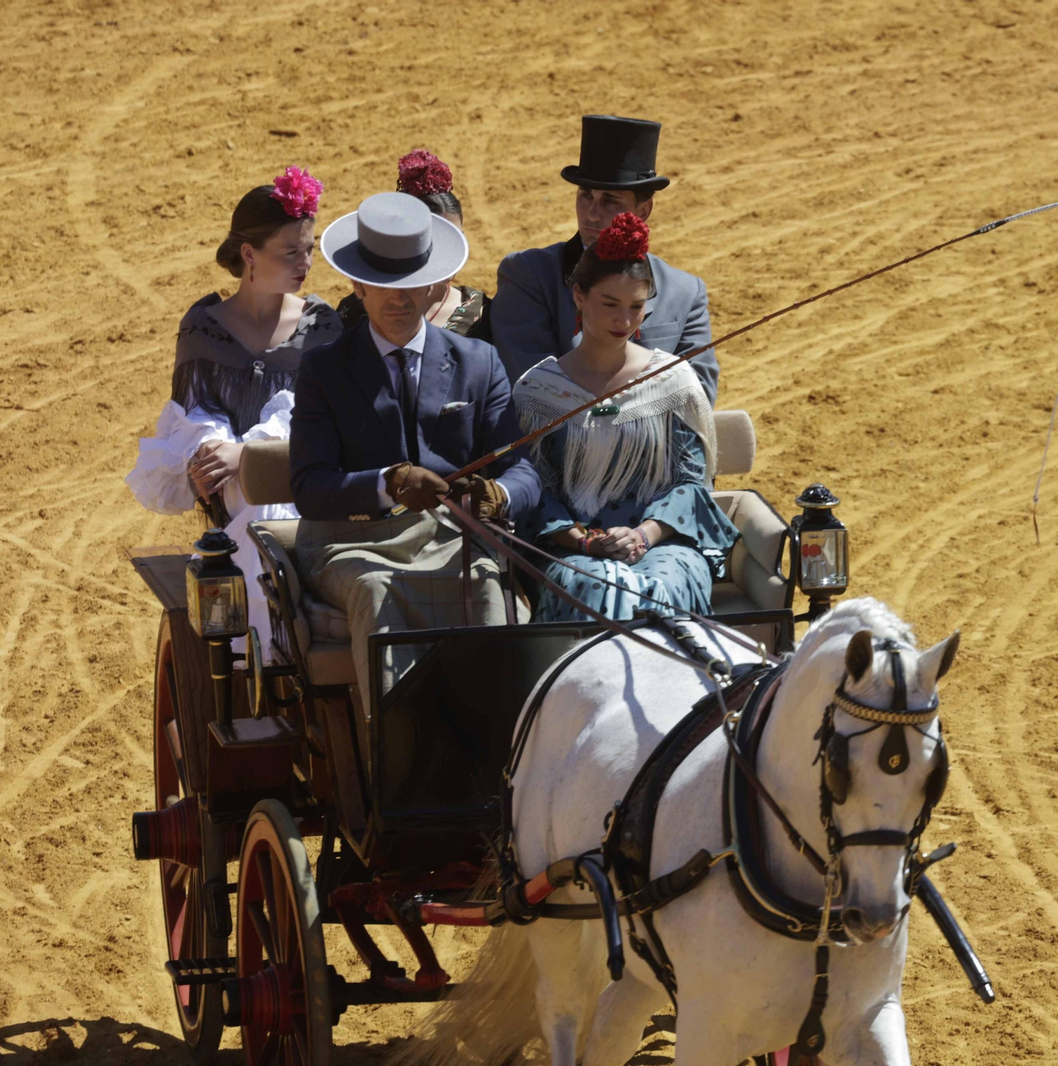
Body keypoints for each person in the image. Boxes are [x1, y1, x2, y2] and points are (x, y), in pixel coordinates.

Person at [289, 191, 540, 715]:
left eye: (412, 286)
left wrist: (497, 494)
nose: (400, 300)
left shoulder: (480, 361)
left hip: (453, 539)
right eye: (384, 287)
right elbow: (310, 488)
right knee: (378, 589)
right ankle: (395, 765)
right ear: (358, 285)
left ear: (435, 284)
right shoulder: (323, 369)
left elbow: (523, 468)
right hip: (349, 542)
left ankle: (497, 758)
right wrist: (388, 482)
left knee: (486, 586)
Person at [126, 167, 342, 647]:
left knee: (260, 490)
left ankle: (266, 644)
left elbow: (323, 423)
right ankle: (275, 639)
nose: (305, 262)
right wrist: (218, 454)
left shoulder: (324, 326)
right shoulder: (202, 325)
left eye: (309, 248)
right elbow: (193, 415)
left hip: (304, 486)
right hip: (226, 495)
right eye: (290, 252)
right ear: (249, 254)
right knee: (245, 491)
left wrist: (250, 458)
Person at [512, 212, 738, 623]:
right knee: (601, 588)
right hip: (572, 549)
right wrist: (586, 542)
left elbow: (690, 483)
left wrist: (641, 535)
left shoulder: (673, 383)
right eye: (610, 304)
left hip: (662, 543)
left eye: (636, 307)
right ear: (579, 297)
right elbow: (533, 490)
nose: (624, 321)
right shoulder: (539, 392)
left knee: (662, 589)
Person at [492, 114, 719, 403]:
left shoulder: (686, 293)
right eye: (585, 196)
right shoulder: (528, 275)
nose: (593, 213)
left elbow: (698, 398)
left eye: (610, 201)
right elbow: (532, 388)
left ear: (644, 210)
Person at [338, 149, 491, 340]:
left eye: (456, 239)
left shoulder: (483, 313)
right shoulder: (356, 311)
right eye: (435, 242)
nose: (451, 253)